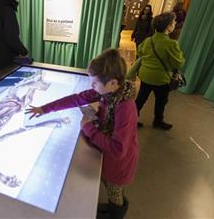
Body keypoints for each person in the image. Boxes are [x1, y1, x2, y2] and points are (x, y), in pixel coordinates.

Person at [26, 49, 138, 219]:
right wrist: (45, 108)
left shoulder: (126, 108)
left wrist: (88, 128)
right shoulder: (107, 92)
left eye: (94, 83)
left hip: (118, 165)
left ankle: (116, 213)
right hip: (108, 158)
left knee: (114, 191)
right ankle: (111, 207)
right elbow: (76, 98)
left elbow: (118, 149)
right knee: (107, 185)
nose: (91, 87)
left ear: (112, 83)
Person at [135, 12, 185, 130]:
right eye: (174, 22)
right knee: (161, 101)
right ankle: (158, 121)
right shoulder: (171, 43)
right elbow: (178, 63)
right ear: (168, 27)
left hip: (145, 75)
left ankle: (131, 119)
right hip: (161, 79)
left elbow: (140, 52)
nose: (175, 24)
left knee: (140, 99)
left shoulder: (148, 40)